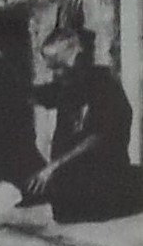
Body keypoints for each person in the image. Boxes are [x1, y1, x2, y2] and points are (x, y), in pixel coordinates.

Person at [16, 26, 141, 223]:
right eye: (52, 68)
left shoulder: (104, 85)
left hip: (105, 182)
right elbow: (41, 94)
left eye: (60, 67)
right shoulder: (68, 86)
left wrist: (53, 167)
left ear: (78, 59)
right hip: (73, 188)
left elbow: (99, 136)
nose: (56, 74)